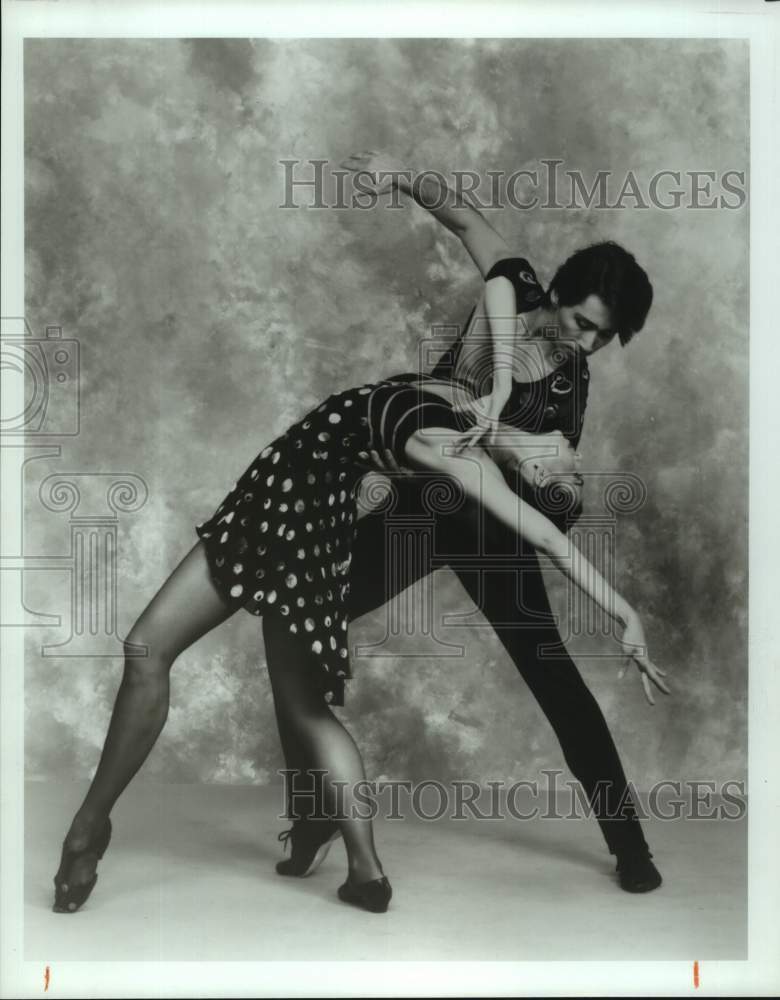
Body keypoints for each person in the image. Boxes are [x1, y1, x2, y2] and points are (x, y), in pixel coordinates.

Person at [52, 367, 667, 916]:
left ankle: (89, 826)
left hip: (286, 517)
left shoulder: (459, 455)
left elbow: (555, 543)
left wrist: (625, 615)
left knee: (168, 656)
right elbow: (488, 258)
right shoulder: (469, 391)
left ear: (531, 472)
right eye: (574, 466)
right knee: (252, 684)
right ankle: (360, 867)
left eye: (570, 477)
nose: (574, 455)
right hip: (294, 513)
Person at [272, 150, 669, 896]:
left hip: (493, 529)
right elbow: (461, 216)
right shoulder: (514, 287)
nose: (586, 346)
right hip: (425, 509)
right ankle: (314, 811)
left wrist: (540, 468)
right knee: (297, 620)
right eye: (583, 324)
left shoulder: (569, 384)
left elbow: (550, 488)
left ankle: (632, 846)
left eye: (601, 339)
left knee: (556, 681)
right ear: (557, 293)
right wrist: (398, 172)